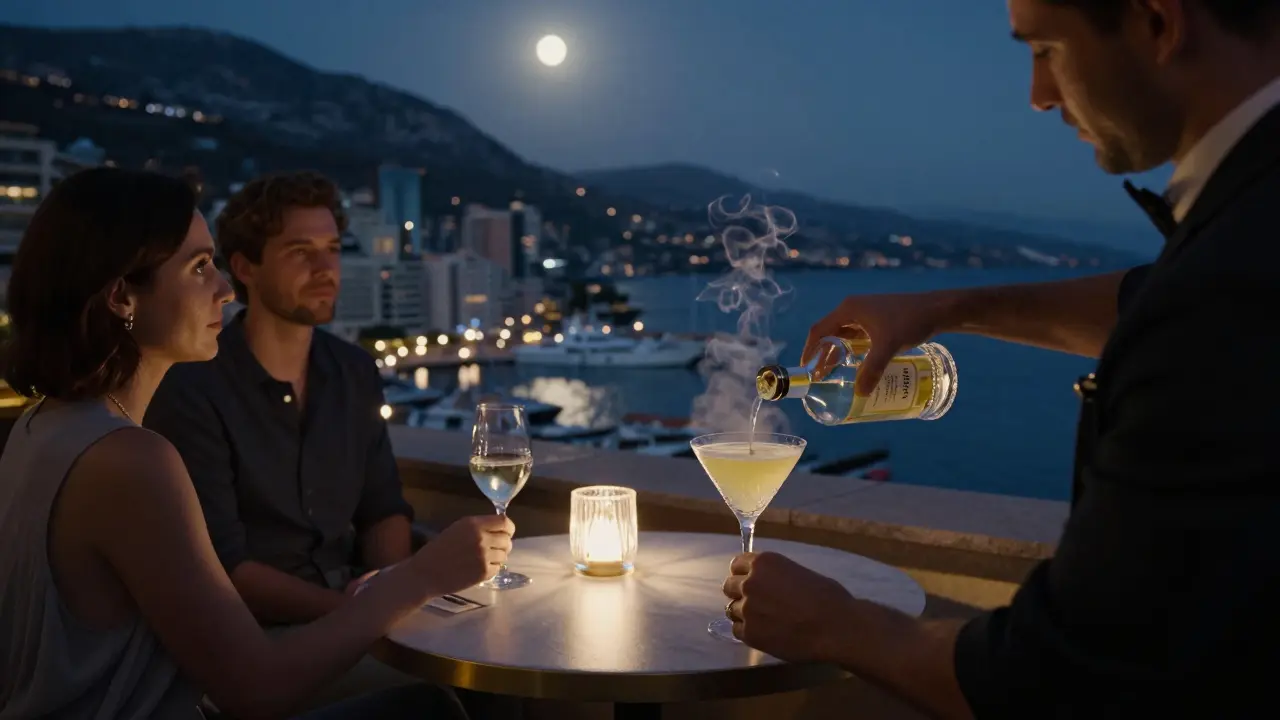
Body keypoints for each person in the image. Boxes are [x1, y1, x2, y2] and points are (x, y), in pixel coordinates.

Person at [722, 1, 1280, 717]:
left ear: (1159, 23)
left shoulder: (1230, 286)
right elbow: (1155, 299)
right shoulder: (1246, 222)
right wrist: (948, 306)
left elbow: (1066, 679)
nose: (1038, 94)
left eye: (1046, 47)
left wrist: (838, 624)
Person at [0, 167, 514, 720]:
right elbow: (256, 689)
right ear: (123, 296)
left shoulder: (41, 426)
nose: (224, 289)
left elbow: (381, 506)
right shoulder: (128, 458)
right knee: (437, 705)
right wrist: (420, 578)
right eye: (200, 268)